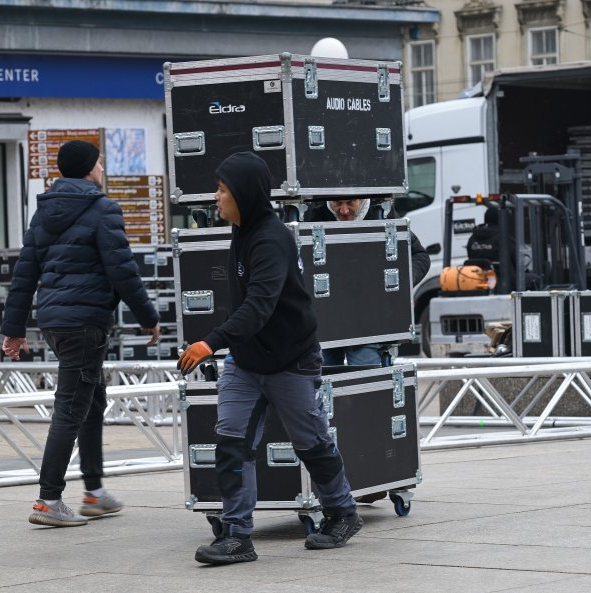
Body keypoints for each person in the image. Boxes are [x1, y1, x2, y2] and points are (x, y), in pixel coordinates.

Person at [177, 151, 362, 566]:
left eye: (222, 190)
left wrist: (211, 342)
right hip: (245, 362)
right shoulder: (242, 230)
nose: (216, 197)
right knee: (231, 442)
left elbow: (259, 305)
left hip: (290, 358)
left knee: (310, 443)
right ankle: (237, 536)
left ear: (243, 193)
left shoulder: (271, 239)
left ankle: (342, 512)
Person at [0, 140, 160, 528]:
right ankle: (48, 500)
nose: (103, 168)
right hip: (85, 323)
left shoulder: (44, 212)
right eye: (99, 163)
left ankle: (94, 492)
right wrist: (148, 317)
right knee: (71, 407)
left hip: (55, 322)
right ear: (89, 169)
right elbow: (122, 270)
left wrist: (15, 330)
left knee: (92, 400)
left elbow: (25, 274)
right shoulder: (103, 209)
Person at [303, 198, 431, 366]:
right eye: (337, 203)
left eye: (350, 203)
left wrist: (401, 283)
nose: (343, 210)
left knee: (365, 376)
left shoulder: (382, 212)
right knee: (324, 376)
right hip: (326, 322)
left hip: (368, 323)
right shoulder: (314, 213)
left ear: (362, 199)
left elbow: (420, 256)